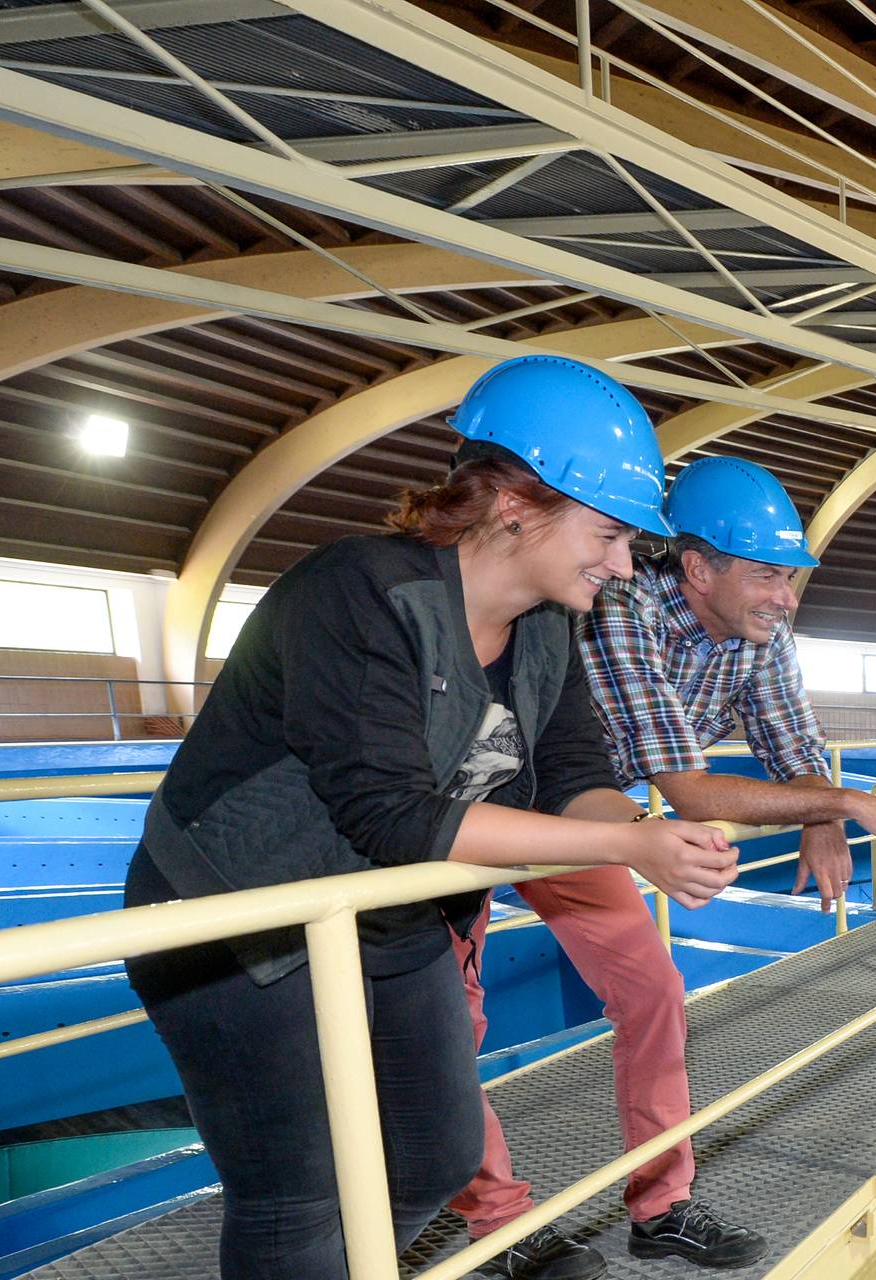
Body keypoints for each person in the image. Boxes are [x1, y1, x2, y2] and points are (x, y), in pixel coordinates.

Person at [122, 352, 741, 1280]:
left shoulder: (546, 625)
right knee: (296, 1192)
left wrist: (655, 835)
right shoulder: (360, 590)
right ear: (514, 505)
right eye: (610, 535)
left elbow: (570, 772)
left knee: (437, 1153)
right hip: (231, 918)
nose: (621, 567)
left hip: (382, 909)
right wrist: (627, 841)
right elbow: (395, 818)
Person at [451, 455, 876, 1280]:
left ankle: (662, 1207)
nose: (786, 599)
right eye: (770, 576)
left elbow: (793, 741)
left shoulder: (760, 636)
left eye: (791, 578)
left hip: (583, 815)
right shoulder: (620, 602)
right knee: (453, 1025)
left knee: (652, 990)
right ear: (699, 569)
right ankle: (497, 1226)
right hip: (475, 808)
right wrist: (844, 806)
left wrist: (821, 804)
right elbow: (687, 788)